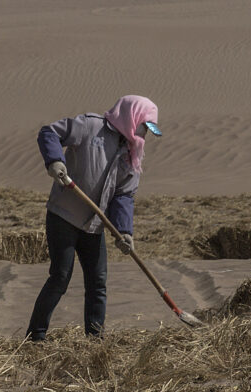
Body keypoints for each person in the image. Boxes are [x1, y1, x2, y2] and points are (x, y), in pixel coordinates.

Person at [26, 95, 161, 341]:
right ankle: (35, 336)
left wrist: (124, 232)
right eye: (145, 127)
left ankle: (95, 340)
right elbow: (49, 133)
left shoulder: (132, 154)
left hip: (94, 226)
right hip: (64, 217)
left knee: (98, 283)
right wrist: (54, 161)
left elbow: (124, 196)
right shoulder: (90, 126)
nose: (146, 134)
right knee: (60, 277)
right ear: (133, 117)